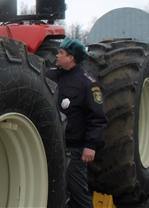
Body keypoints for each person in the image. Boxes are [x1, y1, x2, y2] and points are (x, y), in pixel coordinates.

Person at [46, 37, 108, 208]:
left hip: (73, 149)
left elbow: (98, 118)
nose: (57, 55)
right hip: (51, 145)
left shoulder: (87, 84)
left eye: (61, 53)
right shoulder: (50, 75)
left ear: (71, 57)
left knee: (78, 193)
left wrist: (91, 145)